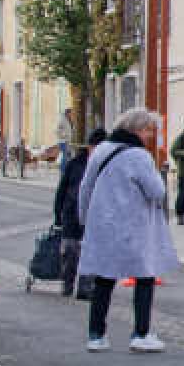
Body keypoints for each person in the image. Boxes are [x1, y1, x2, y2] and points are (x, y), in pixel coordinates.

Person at [75, 109, 178, 352]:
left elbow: (85, 188)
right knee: (144, 276)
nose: (150, 136)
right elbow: (156, 191)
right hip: (134, 224)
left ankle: (96, 335)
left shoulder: (101, 150)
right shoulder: (139, 156)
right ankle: (140, 334)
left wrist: (85, 219)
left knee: (104, 279)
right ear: (138, 129)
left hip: (103, 223)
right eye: (149, 130)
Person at [53, 127, 105, 299]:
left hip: (94, 216)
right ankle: (67, 284)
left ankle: (85, 287)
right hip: (71, 213)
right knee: (70, 251)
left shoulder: (105, 166)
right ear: (90, 147)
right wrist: (58, 214)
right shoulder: (75, 164)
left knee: (89, 252)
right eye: (96, 147)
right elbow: (62, 190)